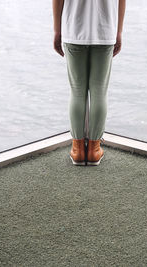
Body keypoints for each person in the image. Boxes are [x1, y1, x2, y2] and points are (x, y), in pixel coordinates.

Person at [52, 0, 126, 166]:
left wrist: (57, 30)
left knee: (77, 92)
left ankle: (77, 150)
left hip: (74, 29)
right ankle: (93, 150)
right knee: (99, 92)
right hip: (105, 30)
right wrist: (118, 31)